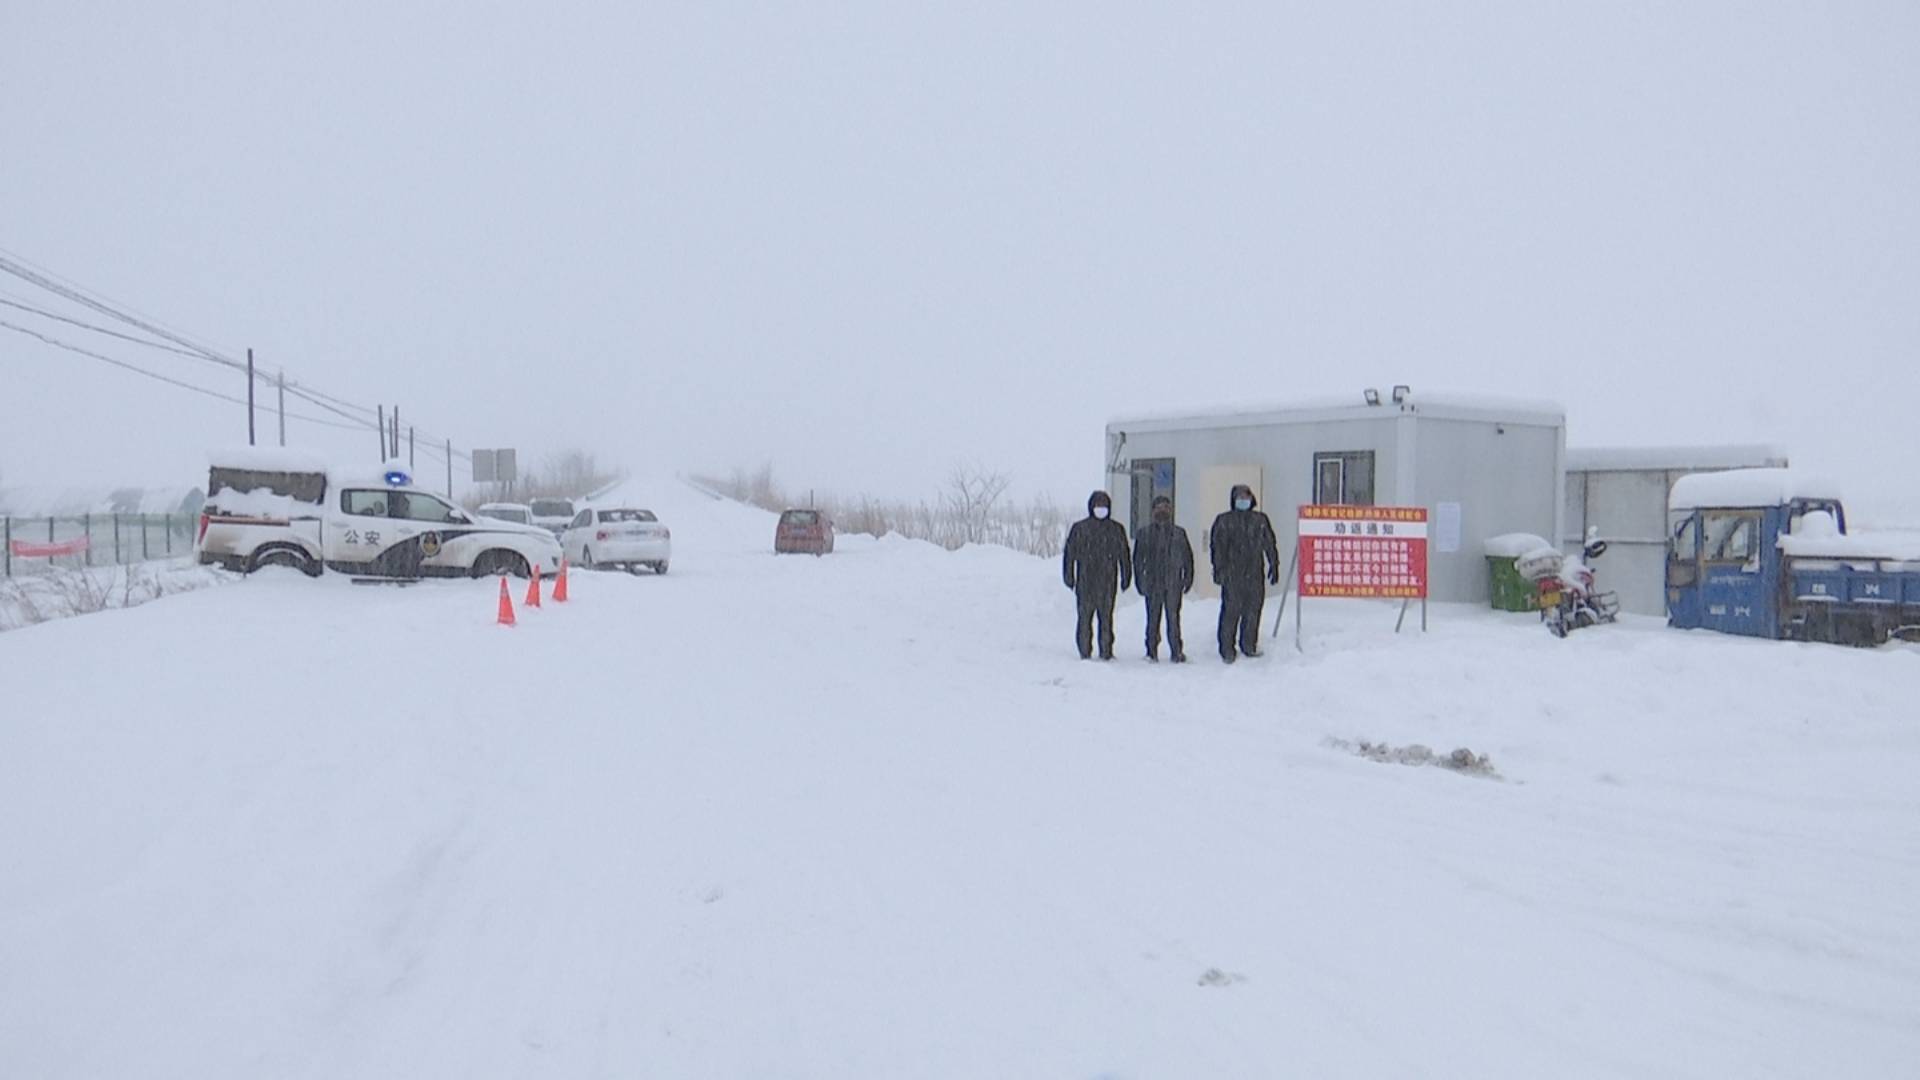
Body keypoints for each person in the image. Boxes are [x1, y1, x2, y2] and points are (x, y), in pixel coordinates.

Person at [1209, 483, 1280, 663]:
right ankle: (1227, 648)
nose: (1243, 501)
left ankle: (1249, 645)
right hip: (1232, 575)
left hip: (1255, 573)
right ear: (1233, 500)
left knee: (1253, 610)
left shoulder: (1260, 520)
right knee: (1231, 611)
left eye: (1246, 497)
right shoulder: (1224, 521)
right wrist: (1219, 570)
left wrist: (1274, 564)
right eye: (1239, 498)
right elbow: (1217, 548)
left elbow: (1270, 543)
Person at [1062, 490, 1131, 660]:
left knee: (1106, 618)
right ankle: (1084, 650)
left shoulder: (1116, 529)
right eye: (1098, 505)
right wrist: (1069, 576)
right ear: (1091, 506)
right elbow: (1069, 554)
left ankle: (1106, 650)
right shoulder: (1080, 529)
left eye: (1104, 505)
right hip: (1085, 582)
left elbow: (1124, 555)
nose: (1101, 508)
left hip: (1108, 582)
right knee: (1084, 618)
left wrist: (1126, 576)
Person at [1132, 495, 1194, 662]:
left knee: (1173, 619)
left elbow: (1188, 557)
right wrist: (1139, 581)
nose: (1162, 511)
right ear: (1153, 511)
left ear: (1171, 510)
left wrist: (1188, 577)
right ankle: (1151, 651)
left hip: (1173, 583)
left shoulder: (1179, 533)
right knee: (1152, 619)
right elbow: (1137, 561)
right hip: (1153, 584)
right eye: (1159, 507)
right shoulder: (1144, 534)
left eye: (1166, 507)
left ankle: (1176, 651)